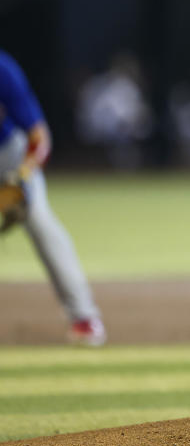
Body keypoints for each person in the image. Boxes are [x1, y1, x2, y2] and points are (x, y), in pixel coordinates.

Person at [0, 50, 106, 346]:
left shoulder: (3, 69)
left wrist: (22, 176)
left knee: (41, 224)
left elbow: (39, 138)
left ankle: (84, 317)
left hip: (9, 156)